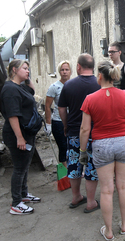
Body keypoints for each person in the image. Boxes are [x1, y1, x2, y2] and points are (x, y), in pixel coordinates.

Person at [79, 60, 125, 240]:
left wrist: (83, 151)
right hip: (124, 143)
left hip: (102, 145)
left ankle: (108, 232)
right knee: (123, 186)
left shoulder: (90, 99)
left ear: (100, 76)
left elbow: (85, 129)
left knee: (107, 190)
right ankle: (124, 226)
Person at [58, 53, 100, 213]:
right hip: (94, 134)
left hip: (75, 133)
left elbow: (61, 108)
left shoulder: (68, 85)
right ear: (93, 67)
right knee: (91, 166)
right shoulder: (99, 83)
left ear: (78, 67)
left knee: (74, 164)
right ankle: (90, 202)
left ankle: (76, 197)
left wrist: (66, 124)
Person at [1, 59, 41, 215]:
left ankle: (24, 195)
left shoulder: (20, 87)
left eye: (28, 69)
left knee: (25, 165)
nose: (28, 71)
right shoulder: (10, 89)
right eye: (25, 68)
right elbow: (13, 115)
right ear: (14, 70)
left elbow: (32, 92)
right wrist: (19, 138)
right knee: (19, 168)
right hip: (18, 134)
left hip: (27, 133)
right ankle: (16, 203)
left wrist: (27, 78)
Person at [45, 60, 72, 168]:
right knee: (63, 146)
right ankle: (66, 171)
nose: (64, 72)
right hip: (58, 121)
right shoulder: (54, 87)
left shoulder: (73, 85)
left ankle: (72, 169)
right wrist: (48, 124)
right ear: (59, 72)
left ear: (70, 71)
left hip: (72, 121)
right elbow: (47, 106)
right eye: (62, 70)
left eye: (67, 70)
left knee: (72, 146)